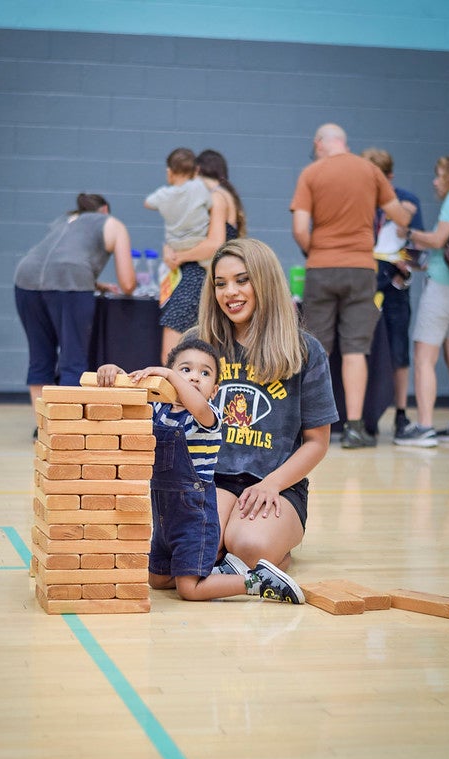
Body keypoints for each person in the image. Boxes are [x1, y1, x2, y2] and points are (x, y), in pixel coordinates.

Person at [96, 338, 304, 603]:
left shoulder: (208, 416)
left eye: (204, 373)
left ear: (215, 390)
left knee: (189, 589)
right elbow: (128, 400)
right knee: (157, 579)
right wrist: (114, 373)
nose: (194, 378)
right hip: (163, 515)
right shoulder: (157, 410)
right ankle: (220, 574)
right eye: (186, 370)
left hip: (195, 517)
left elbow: (198, 405)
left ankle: (257, 581)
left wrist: (171, 374)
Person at [192, 237, 338, 575]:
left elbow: (318, 441)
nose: (230, 292)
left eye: (242, 280)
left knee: (248, 547)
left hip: (278, 485)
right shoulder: (198, 344)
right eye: (221, 283)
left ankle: (265, 547)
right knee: (193, 550)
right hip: (213, 480)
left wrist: (271, 484)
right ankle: (229, 548)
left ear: (265, 282)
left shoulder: (305, 351)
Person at [290, 123, 417, 449]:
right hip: (361, 268)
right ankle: (355, 428)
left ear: (320, 143)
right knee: (356, 350)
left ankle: (306, 427)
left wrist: (314, 251)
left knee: (316, 348)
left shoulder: (311, 172)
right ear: (344, 142)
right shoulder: (370, 170)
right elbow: (400, 218)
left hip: (321, 267)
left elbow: (300, 228)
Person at [14, 193, 136, 428]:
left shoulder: (64, 221)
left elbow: (53, 263)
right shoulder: (112, 223)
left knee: (40, 359)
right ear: (105, 209)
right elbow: (128, 283)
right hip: (69, 283)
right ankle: (64, 429)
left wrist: (94, 283)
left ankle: (43, 429)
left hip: (25, 279)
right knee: (72, 359)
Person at [393, 154, 449, 447]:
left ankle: (423, 425)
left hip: (442, 290)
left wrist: (407, 232)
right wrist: (406, 257)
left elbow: (437, 240)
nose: (435, 181)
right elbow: (446, 251)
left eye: (438, 175)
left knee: (424, 357)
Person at [360, 148, 425, 438]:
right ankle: (361, 415)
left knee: (398, 349)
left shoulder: (407, 201)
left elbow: (418, 253)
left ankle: (400, 414)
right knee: (361, 349)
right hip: (364, 282)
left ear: (389, 177)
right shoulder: (358, 200)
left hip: (394, 285)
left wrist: (405, 264)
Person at [160, 149, 247, 363]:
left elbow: (214, 245)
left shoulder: (215, 198)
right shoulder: (225, 197)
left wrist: (179, 256)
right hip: (204, 279)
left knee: (172, 356)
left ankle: (173, 397)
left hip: (196, 280)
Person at [144, 147, 212, 267]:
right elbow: (210, 205)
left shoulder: (163, 194)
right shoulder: (199, 187)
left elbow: (147, 203)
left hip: (175, 246)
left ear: (169, 171)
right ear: (196, 171)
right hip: (198, 242)